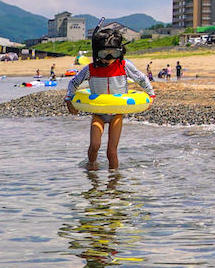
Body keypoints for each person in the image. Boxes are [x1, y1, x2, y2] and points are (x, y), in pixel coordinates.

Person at [64, 23, 154, 170]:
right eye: (104, 54)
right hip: (98, 113)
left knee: (111, 151)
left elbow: (141, 78)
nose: (108, 58)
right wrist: (69, 99)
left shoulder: (124, 66)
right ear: (96, 52)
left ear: (120, 52)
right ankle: (92, 171)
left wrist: (150, 95)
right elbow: (74, 82)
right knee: (94, 146)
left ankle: (114, 182)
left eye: (113, 53)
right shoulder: (90, 69)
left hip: (116, 113)